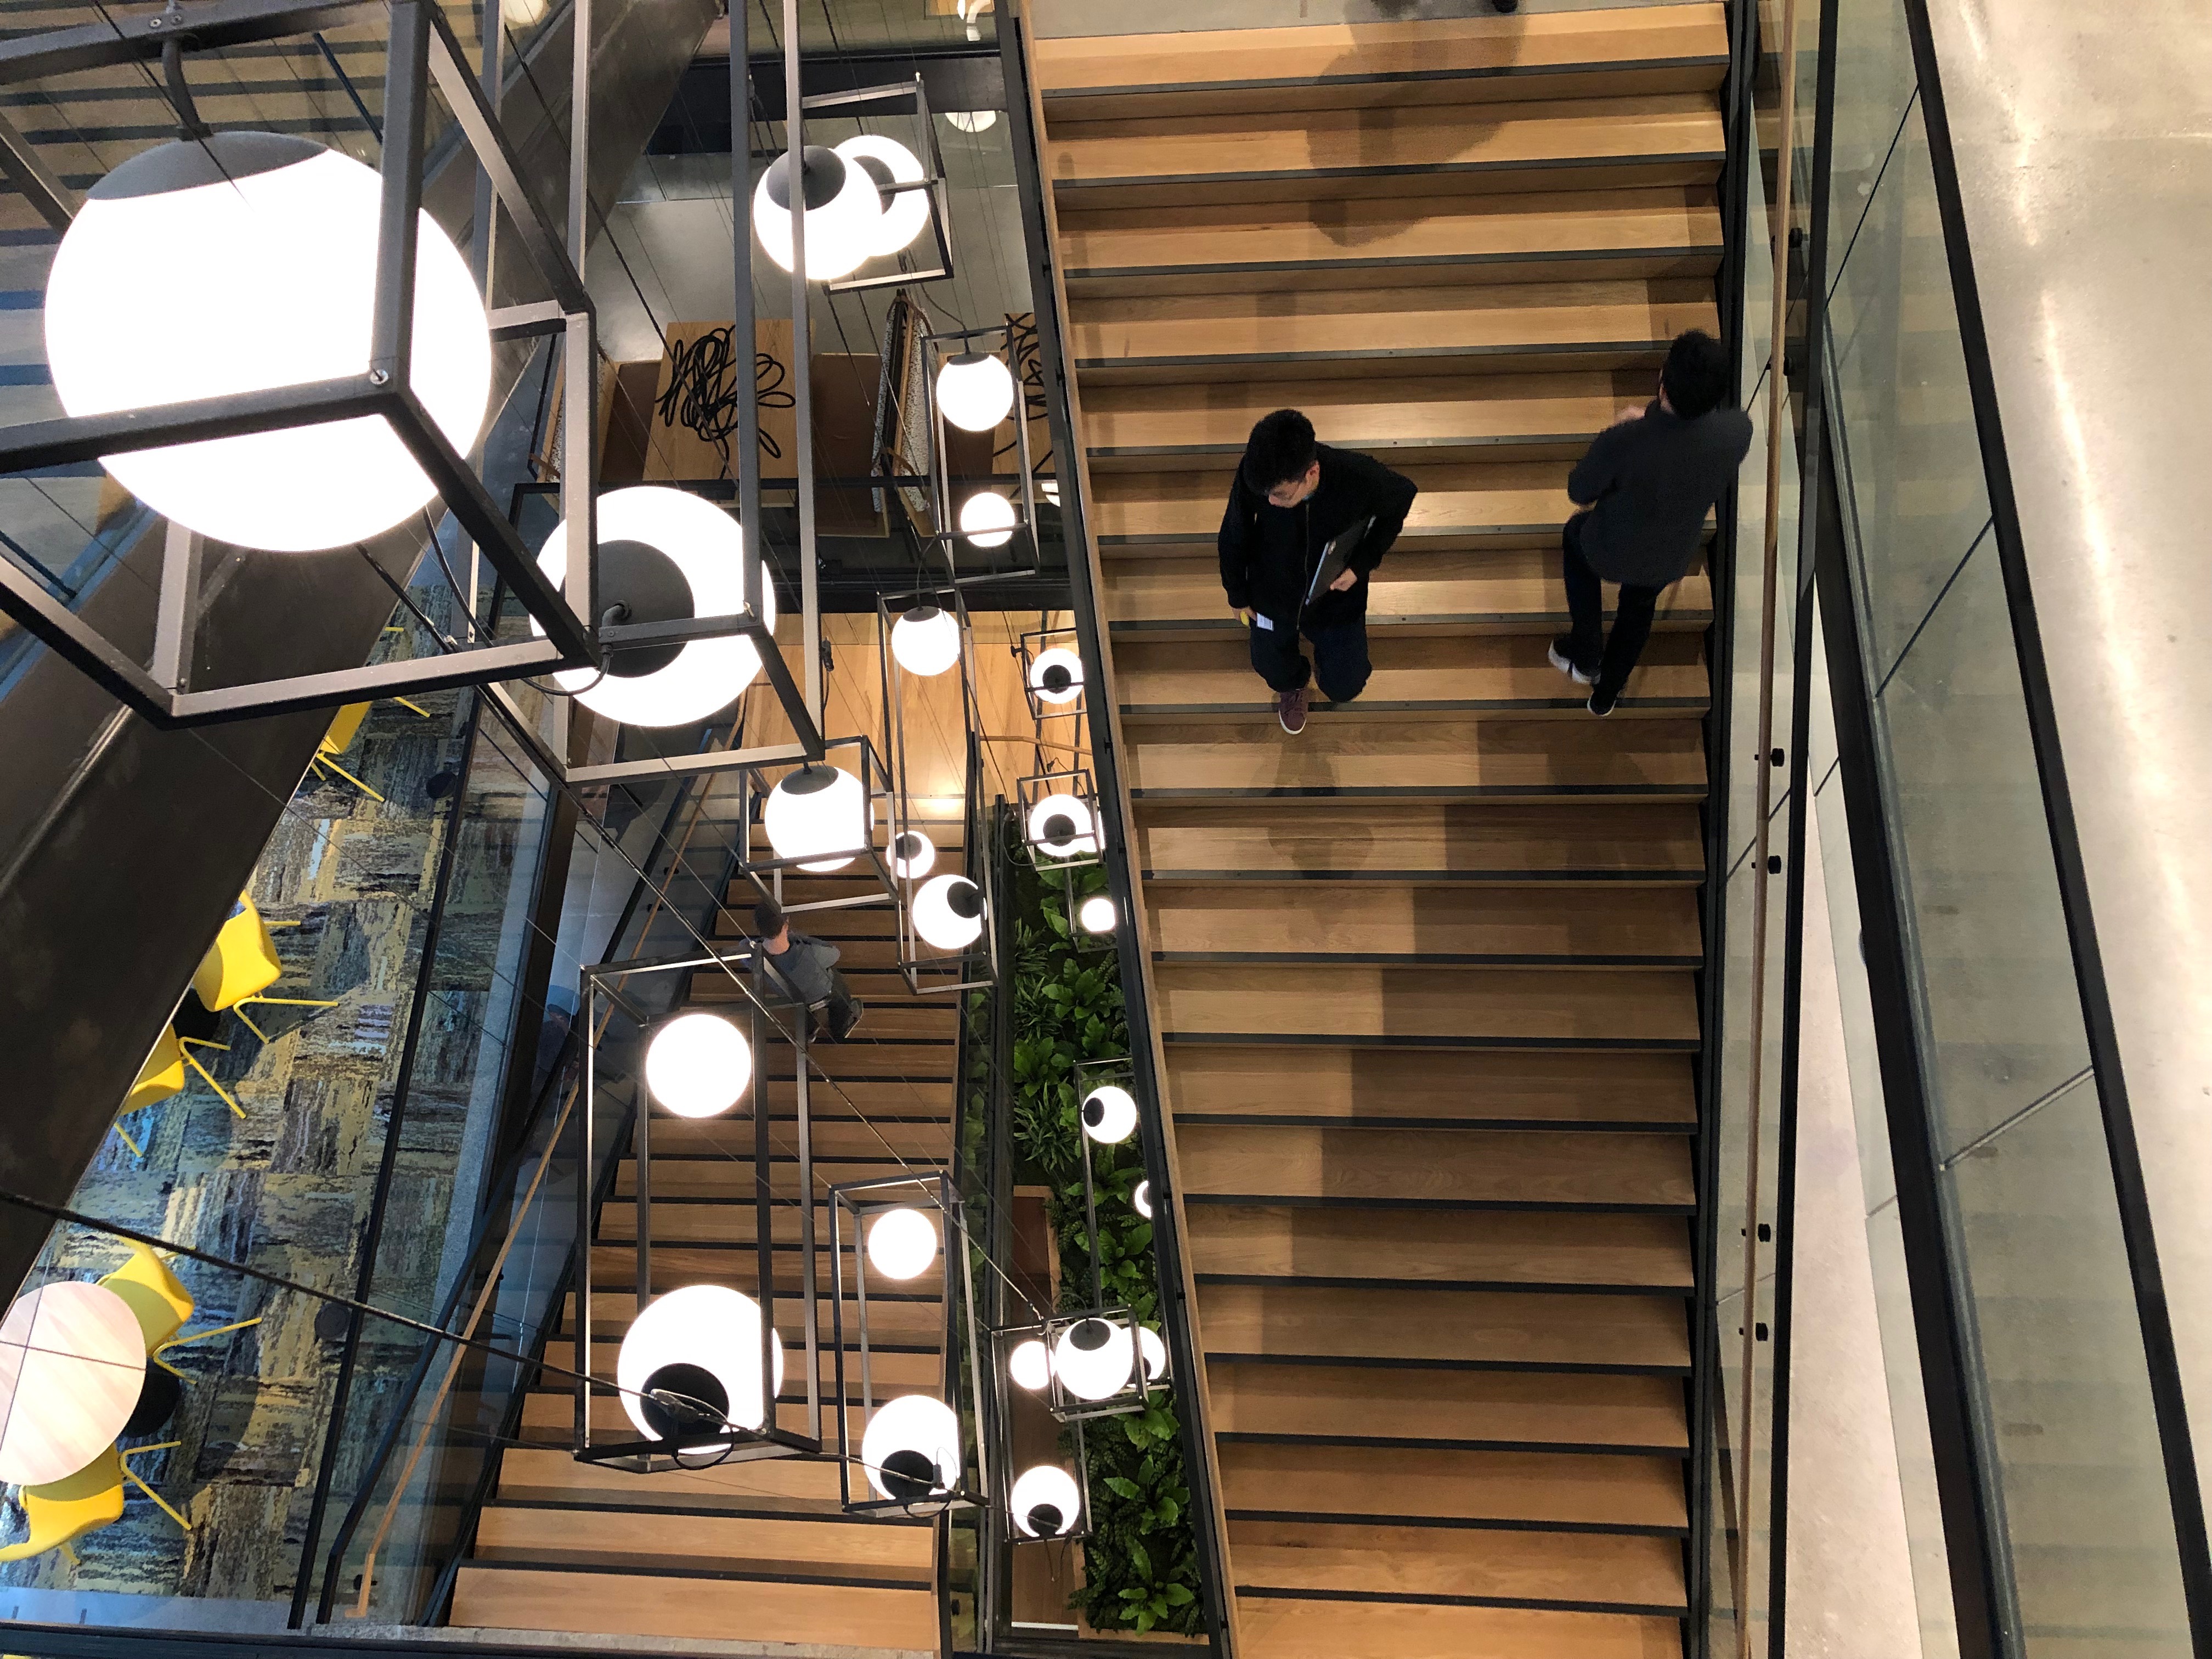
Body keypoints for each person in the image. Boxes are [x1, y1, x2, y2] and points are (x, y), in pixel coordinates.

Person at [1553, 329, 1752, 716]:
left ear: (1662, 383)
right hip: (1669, 555)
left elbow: (1579, 490)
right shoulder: (1737, 434)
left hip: (1610, 548)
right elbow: (1683, 444)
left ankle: (1587, 651)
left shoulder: (1626, 440)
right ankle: (1606, 695)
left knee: (1575, 535)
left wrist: (1630, 426)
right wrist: (1651, 420)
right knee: (1638, 611)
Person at [1219, 408, 1419, 735]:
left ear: (1311, 473)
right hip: (1272, 592)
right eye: (1265, 493)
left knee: (1346, 686)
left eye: (1280, 494)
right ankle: (1295, 684)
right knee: (1271, 665)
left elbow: (1402, 499)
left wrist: (1362, 564)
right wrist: (1237, 594)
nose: (1269, 502)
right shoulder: (1257, 474)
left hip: (1335, 595)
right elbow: (1233, 532)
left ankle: (1327, 666)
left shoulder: (1359, 477)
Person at [753, 898, 864, 1041]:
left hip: (790, 995)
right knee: (839, 991)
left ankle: (809, 1032)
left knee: (804, 1010)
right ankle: (840, 1028)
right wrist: (798, 937)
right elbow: (835, 953)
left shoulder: (751, 955)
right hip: (822, 992)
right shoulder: (810, 953)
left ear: (757, 925)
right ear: (786, 924)